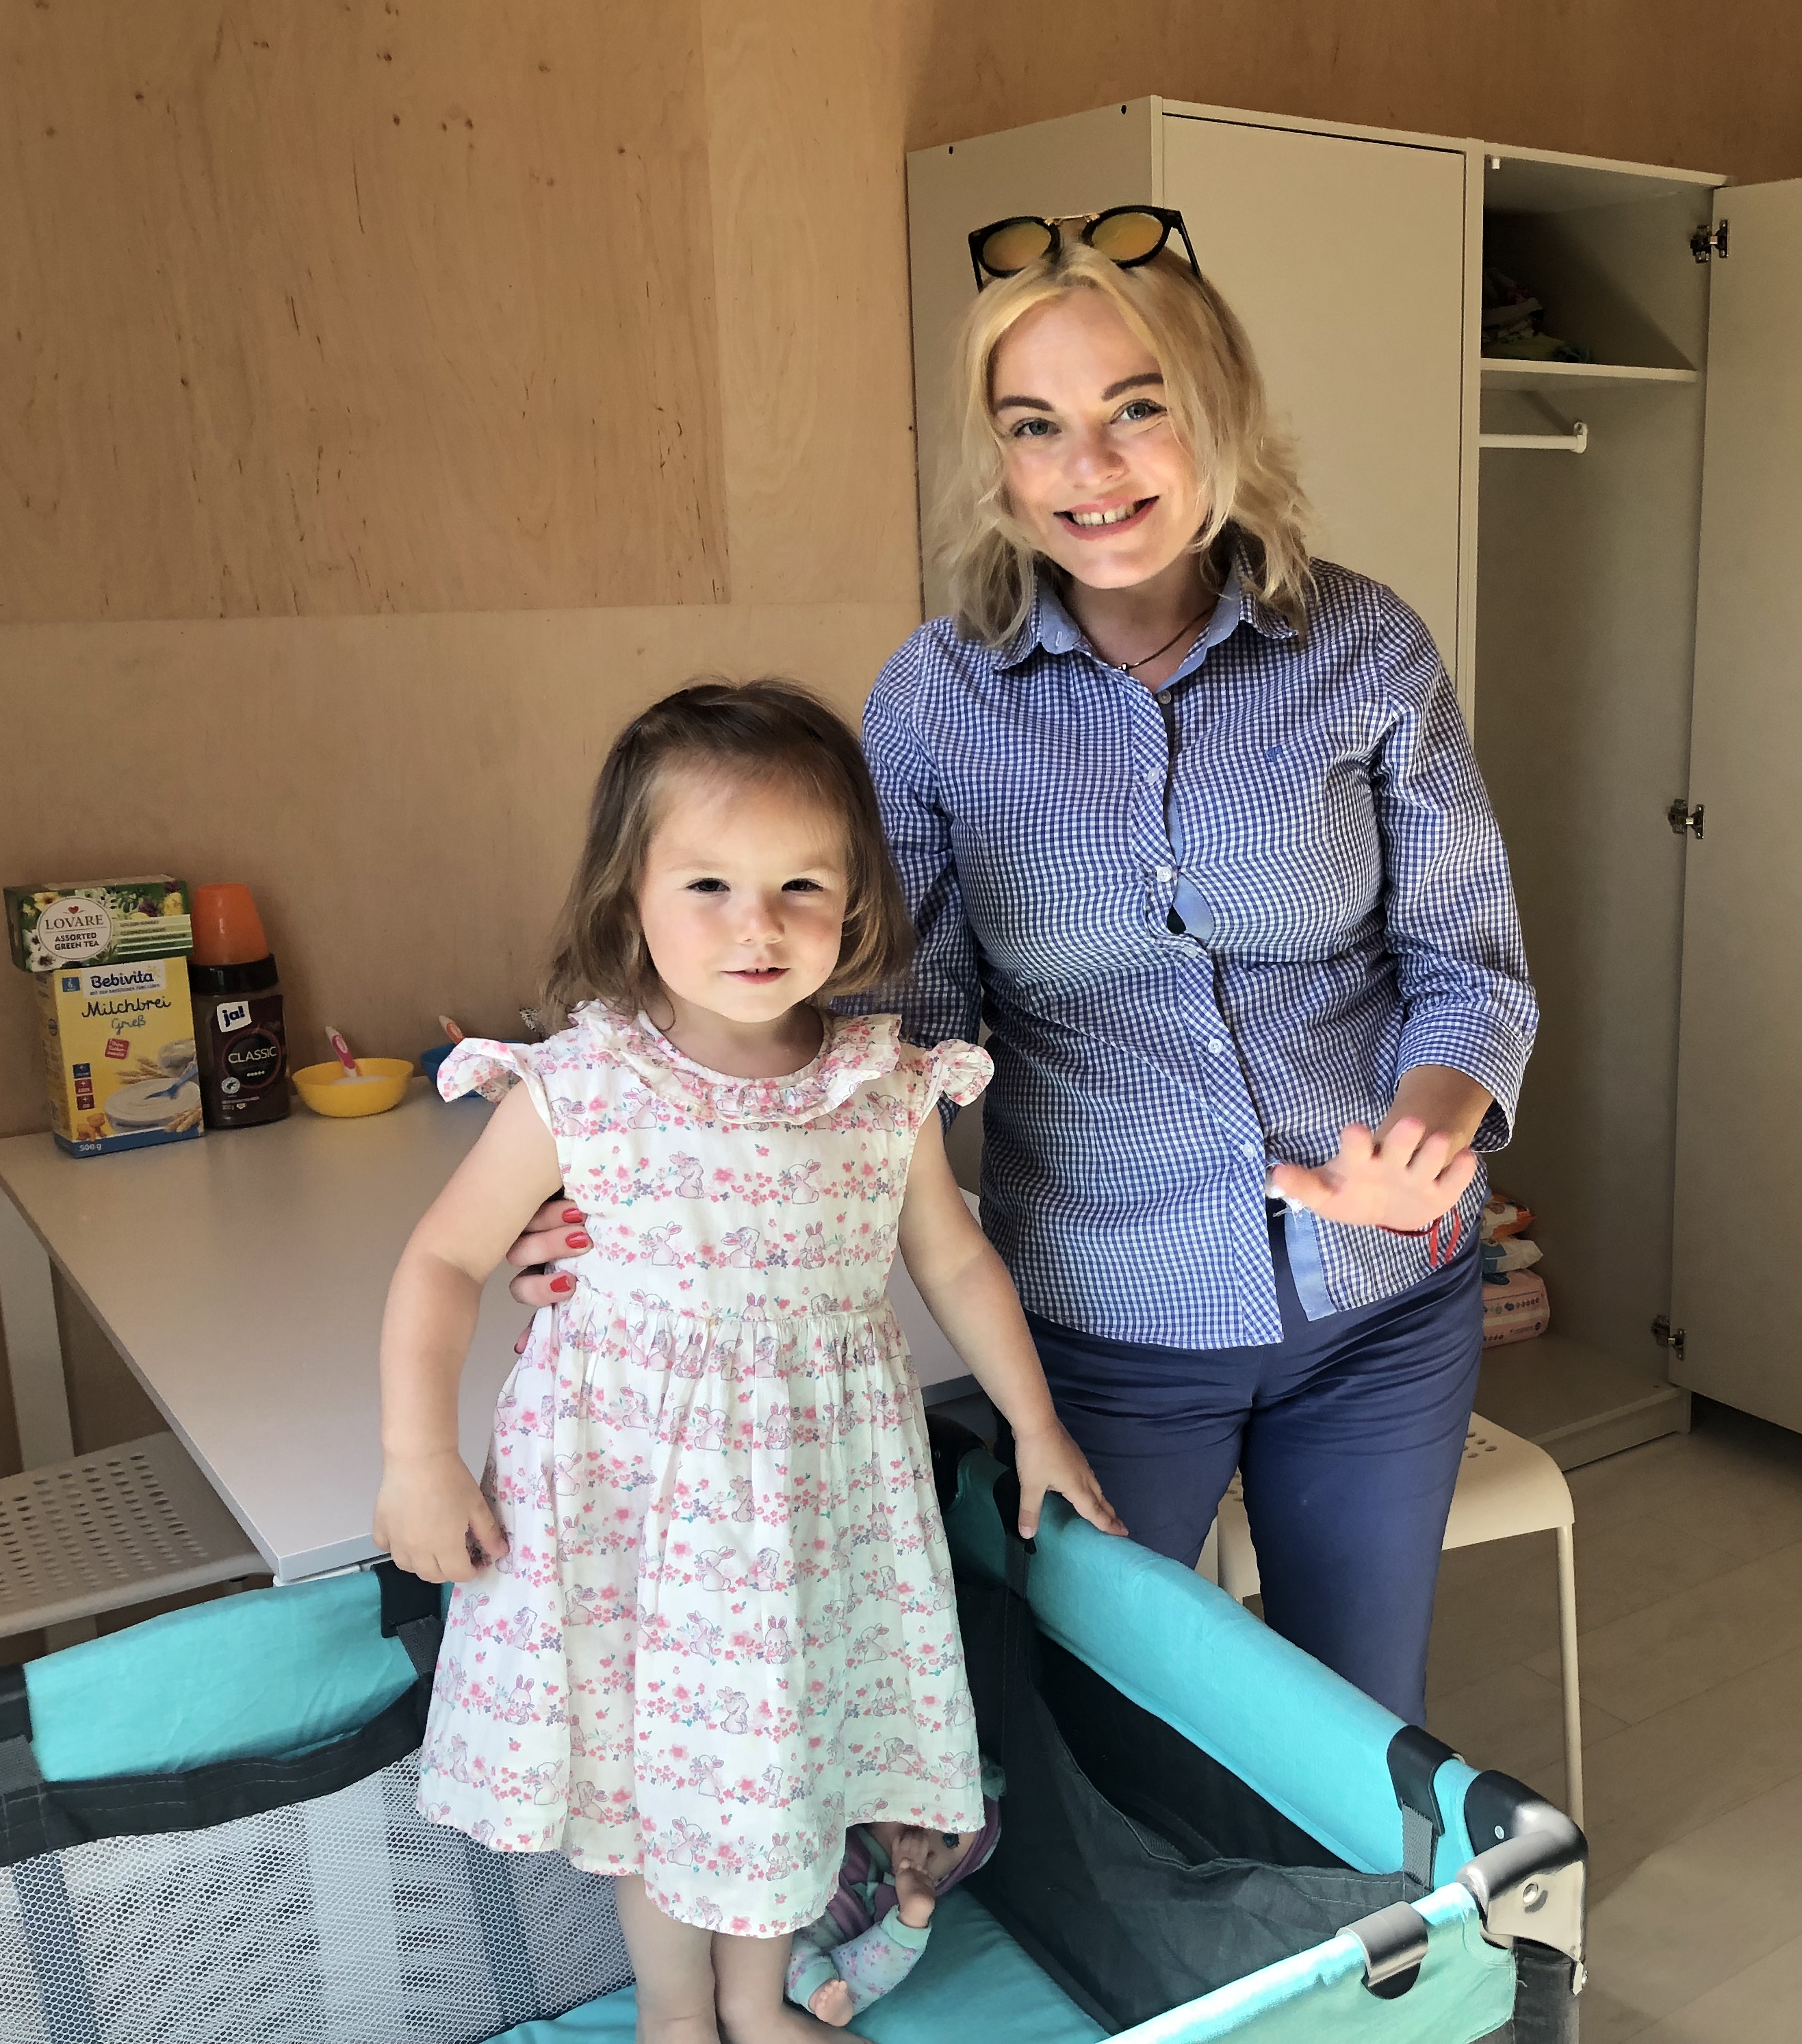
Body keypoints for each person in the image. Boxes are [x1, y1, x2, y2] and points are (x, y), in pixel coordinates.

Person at [504, 207, 1535, 1727]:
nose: (1091, 471)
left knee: (1352, 1720)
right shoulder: (933, 704)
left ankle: (1353, 1958)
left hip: (1380, 1310)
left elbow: (1469, 962)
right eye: (1036, 426)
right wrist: (639, 1183)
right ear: (998, 462)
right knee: (1101, 1722)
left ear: (1220, 417)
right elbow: (878, 1033)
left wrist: (1430, 1134)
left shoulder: (1364, 649)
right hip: (1103, 1329)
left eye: (1138, 412)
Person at [374, 680, 1120, 2044]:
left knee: (772, 1765)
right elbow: (440, 1262)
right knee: (666, 1783)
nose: (757, 924)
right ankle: (676, 2016)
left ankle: (752, 1999)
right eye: (708, 884)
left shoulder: (886, 1087)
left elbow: (953, 1264)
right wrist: (417, 1458)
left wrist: (1038, 1427)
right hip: (632, 1518)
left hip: (806, 1516)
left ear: (858, 904)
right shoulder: (578, 1088)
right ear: (629, 898)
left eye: (800, 886)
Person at [783, 1779, 1003, 2028]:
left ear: (946, 1878)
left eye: (950, 1839)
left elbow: (879, 1962)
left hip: (814, 1948)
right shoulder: (843, 1819)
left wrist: (911, 1900)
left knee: (804, 1962)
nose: (926, 1828)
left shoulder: (899, 1892)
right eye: (922, 1804)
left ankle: (826, 1997)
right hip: (782, 1893)